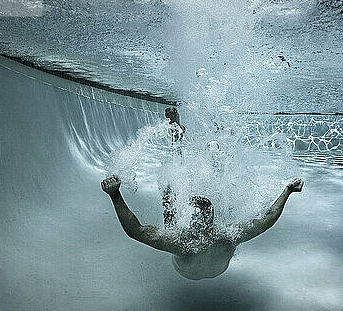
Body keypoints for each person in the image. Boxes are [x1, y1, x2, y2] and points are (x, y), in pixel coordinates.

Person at [101, 108, 304, 280]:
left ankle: (176, 139)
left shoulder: (182, 241)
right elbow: (266, 220)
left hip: (186, 271)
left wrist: (115, 195)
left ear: (192, 220)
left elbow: (136, 231)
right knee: (207, 194)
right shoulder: (226, 236)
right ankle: (184, 140)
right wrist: (287, 191)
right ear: (211, 219)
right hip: (213, 269)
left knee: (169, 199)